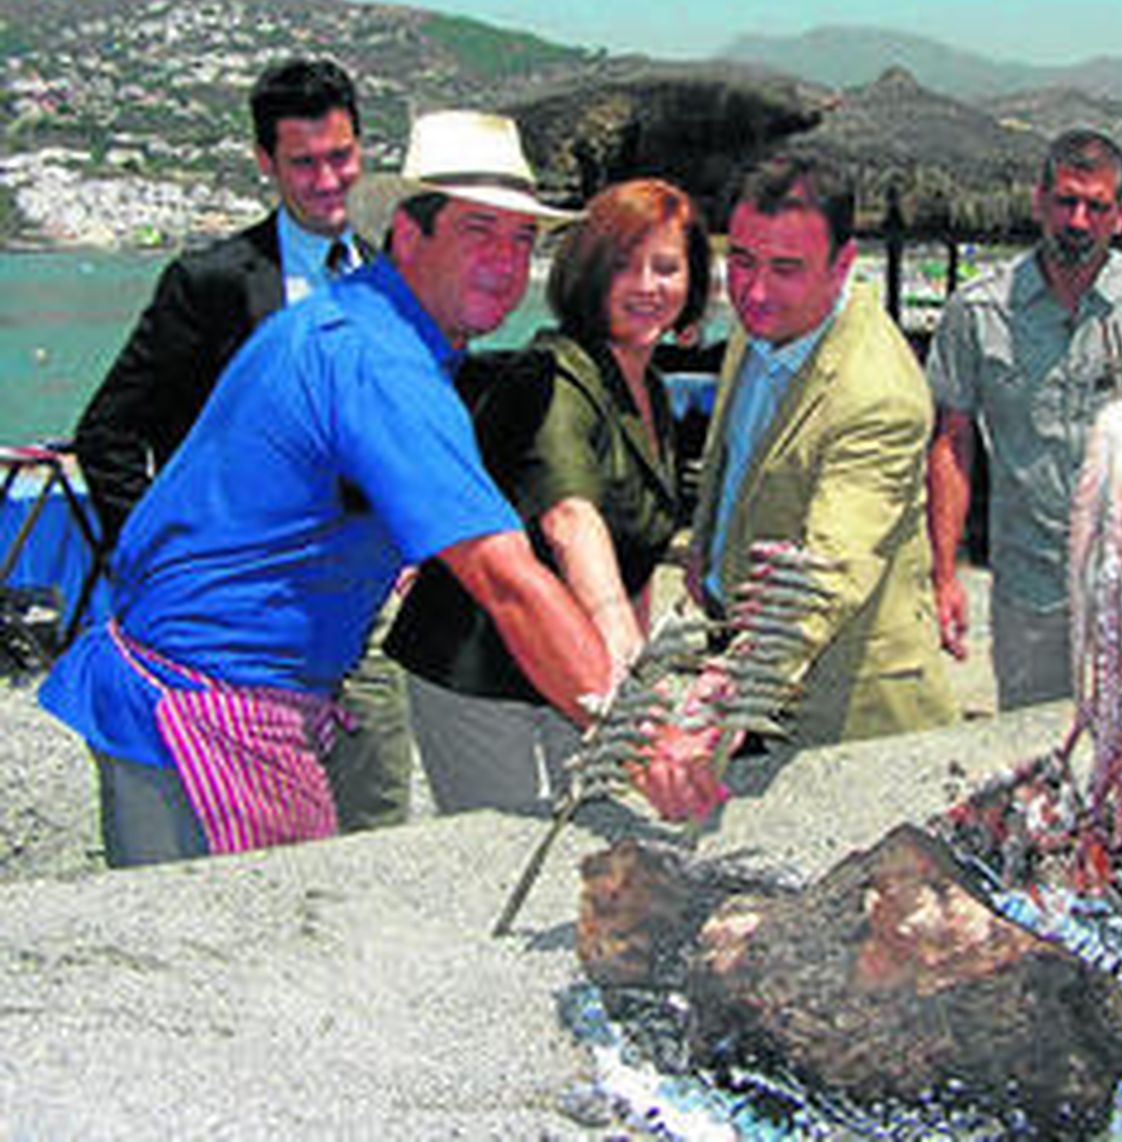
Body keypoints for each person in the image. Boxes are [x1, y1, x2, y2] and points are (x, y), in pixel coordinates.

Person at [37, 111, 712, 867]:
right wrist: (645, 740)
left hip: (224, 685)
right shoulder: (376, 361)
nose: (505, 259)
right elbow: (507, 578)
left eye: (522, 239)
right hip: (205, 706)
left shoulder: (371, 322)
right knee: (240, 958)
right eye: (478, 230)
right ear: (407, 233)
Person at [71, 57, 410, 832]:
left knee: (373, 837)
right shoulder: (211, 283)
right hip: (244, 631)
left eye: (342, 157)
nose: (329, 180)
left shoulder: (390, 284)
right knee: (254, 854)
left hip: (366, 623)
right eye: (304, 163)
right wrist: (162, 558)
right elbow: (108, 432)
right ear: (265, 163)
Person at [385, 177, 712, 815]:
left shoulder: (651, 395)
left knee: (590, 822)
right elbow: (571, 517)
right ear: (589, 273)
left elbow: (632, 552)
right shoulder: (557, 372)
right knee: (498, 852)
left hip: (580, 657)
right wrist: (620, 646)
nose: (647, 285)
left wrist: (634, 665)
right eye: (624, 265)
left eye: (667, 268)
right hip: (478, 665)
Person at [925, 128, 1122, 709]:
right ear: (1039, 202)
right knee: (1037, 754)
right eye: (1066, 201)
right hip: (1032, 595)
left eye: (1096, 206)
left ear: (1121, 214)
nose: (1078, 221)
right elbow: (951, 444)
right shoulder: (979, 311)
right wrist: (944, 575)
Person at [687, 153, 956, 746]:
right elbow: (737, 458)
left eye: (785, 268)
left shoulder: (878, 396)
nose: (753, 291)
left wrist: (728, 689)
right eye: (742, 260)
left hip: (849, 714)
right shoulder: (765, 321)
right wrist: (706, 553)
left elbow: (823, 574)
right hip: (747, 665)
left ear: (843, 266)